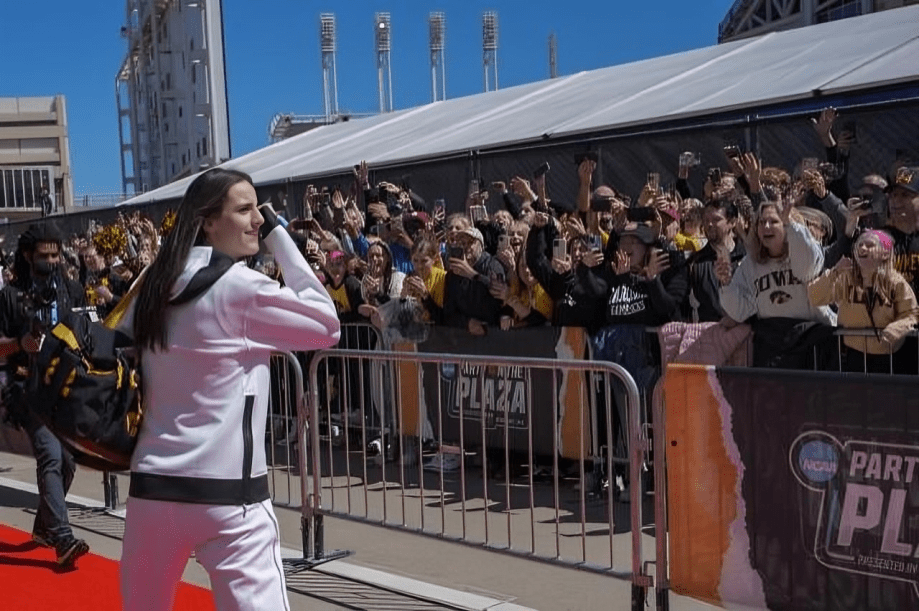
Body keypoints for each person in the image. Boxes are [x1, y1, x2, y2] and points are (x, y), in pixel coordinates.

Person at [119, 168, 340, 611]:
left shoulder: (150, 284)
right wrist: (280, 237)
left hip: (152, 490)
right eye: (245, 209)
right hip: (228, 499)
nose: (257, 218)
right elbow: (326, 325)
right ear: (208, 220)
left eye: (258, 209)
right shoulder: (238, 287)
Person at [0, 224, 90, 566]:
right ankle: (63, 539)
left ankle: (43, 527)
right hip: (24, 389)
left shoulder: (72, 291)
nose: (51, 261)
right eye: (44, 256)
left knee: (67, 463)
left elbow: (88, 330)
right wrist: (17, 345)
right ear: (27, 256)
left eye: (55, 254)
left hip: (64, 389)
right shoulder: (8, 296)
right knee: (51, 456)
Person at [718, 200, 836, 368]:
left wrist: (791, 225)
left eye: (774, 221)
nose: (766, 226)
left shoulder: (807, 249)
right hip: (771, 344)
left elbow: (806, 270)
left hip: (810, 340)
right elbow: (739, 312)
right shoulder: (750, 264)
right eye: (761, 222)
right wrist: (726, 283)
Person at [808, 230, 919, 374]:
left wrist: (896, 329)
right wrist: (835, 271)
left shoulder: (896, 282)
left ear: (884, 254)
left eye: (869, 245)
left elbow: (911, 313)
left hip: (886, 357)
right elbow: (815, 297)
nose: (862, 248)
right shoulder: (845, 277)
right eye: (859, 244)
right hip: (852, 355)